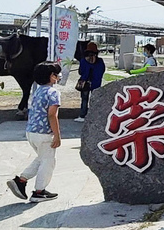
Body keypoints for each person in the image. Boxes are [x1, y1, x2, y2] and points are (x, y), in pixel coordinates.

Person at [6, 62, 62, 203]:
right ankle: (39, 191)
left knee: (42, 158)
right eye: (57, 73)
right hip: (45, 134)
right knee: (48, 162)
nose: (59, 76)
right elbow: (52, 115)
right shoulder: (54, 93)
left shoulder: (37, 90)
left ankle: (21, 180)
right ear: (52, 76)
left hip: (31, 132)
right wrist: (57, 135)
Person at [75, 41, 106, 122]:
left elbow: (80, 72)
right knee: (95, 100)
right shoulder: (100, 61)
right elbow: (102, 71)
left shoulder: (83, 61)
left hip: (85, 83)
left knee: (84, 100)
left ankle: (82, 116)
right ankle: (94, 116)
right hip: (96, 83)